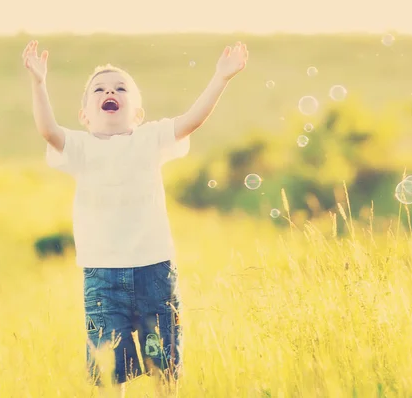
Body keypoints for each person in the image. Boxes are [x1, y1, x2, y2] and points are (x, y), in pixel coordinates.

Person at [21, 39, 248, 397]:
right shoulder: (80, 147)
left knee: (164, 367)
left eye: (120, 88)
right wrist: (38, 82)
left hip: (154, 271)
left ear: (138, 113)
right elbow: (48, 130)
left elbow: (192, 121)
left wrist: (221, 78)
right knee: (109, 373)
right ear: (85, 115)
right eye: (99, 89)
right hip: (102, 278)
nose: (109, 91)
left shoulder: (149, 138)